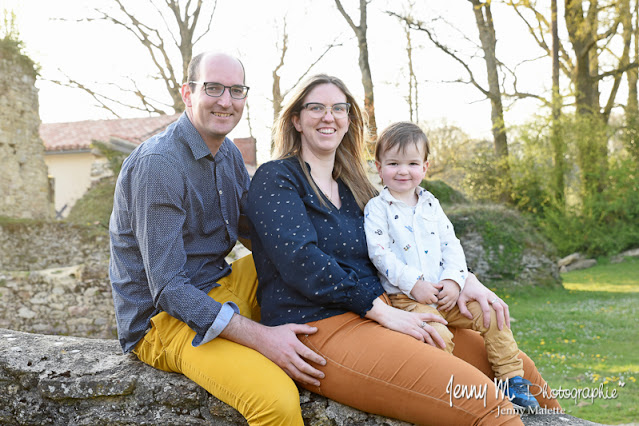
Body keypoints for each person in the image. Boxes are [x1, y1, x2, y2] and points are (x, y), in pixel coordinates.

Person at [247, 74, 561, 425]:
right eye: (316, 108)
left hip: (388, 310)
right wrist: (378, 311)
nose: (328, 116)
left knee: (526, 372)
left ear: (349, 119)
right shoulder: (276, 178)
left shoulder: (357, 187)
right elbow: (300, 261)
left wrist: (463, 279)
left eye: (338, 108)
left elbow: (409, 244)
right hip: (321, 326)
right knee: (487, 405)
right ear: (296, 119)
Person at [108, 52, 328, 426]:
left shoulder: (226, 154)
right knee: (276, 403)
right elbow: (169, 290)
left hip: (218, 284)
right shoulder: (160, 164)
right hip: (164, 321)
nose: (226, 101)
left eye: (236, 90)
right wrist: (263, 337)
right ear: (188, 93)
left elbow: (259, 233)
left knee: (311, 272)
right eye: (213, 88)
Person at [364, 121, 539, 410]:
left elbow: (451, 245)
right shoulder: (377, 208)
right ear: (379, 166)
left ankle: (511, 381)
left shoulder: (431, 204)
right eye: (393, 163)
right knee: (436, 335)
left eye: (412, 163)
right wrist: (414, 285)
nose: (403, 171)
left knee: (491, 314)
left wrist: (454, 282)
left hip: (446, 295)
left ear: (426, 166)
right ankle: (448, 391)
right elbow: (380, 254)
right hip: (407, 300)